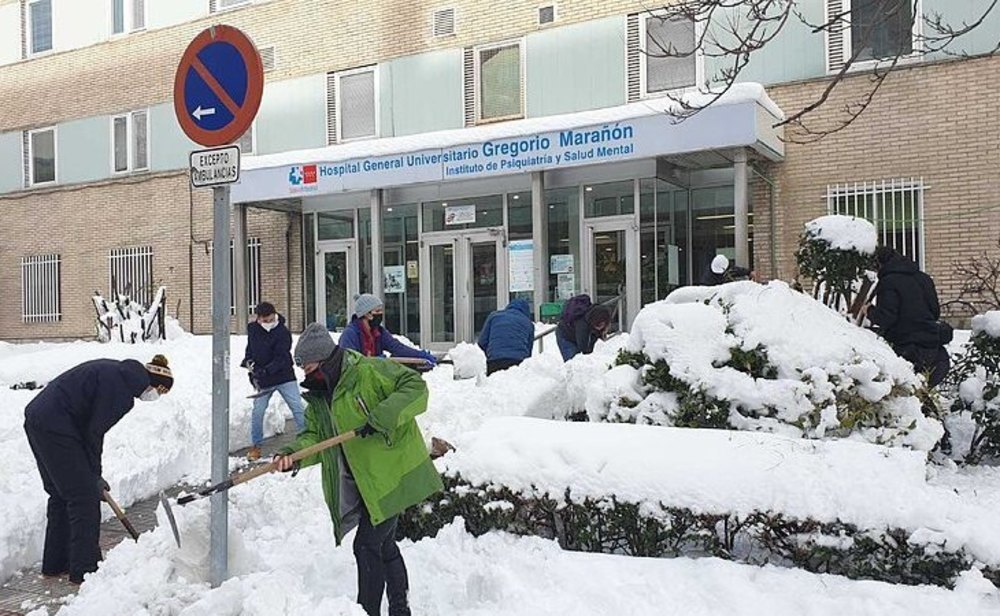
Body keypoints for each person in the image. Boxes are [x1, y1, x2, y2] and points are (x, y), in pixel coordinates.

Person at [273, 323, 442, 616]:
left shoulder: (369, 371)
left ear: (325, 360)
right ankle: (400, 610)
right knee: (384, 547)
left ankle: (368, 612)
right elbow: (315, 436)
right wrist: (293, 455)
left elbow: (416, 388)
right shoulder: (319, 395)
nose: (305, 374)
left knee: (366, 546)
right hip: (365, 483)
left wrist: (381, 416)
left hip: (393, 475)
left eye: (308, 366)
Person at [23, 355, 174, 584]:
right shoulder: (121, 390)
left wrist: (92, 474)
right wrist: (93, 476)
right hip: (57, 425)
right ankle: (85, 571)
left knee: (61, 494)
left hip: (40, 418)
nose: (156, 397)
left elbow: (88, 428)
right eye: (160, 392)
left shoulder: (117, 372)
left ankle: (55, 565)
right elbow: (94, 433)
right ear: (154, 383)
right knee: (84, 498)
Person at [865, 246, 951, 388]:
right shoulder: (924, 278)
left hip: (907, 351)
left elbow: (886, 318)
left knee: (908, 397)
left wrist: (869, 311)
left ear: (879, 264)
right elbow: (935, 312)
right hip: (935, 352)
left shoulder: (889, 282)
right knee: (919, 397)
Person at [241, 301, 306, 461]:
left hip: (284, 377)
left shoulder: (283, 332)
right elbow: (250, 350)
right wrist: (250, 365)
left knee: (297, 408)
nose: (267, 323)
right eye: (263, 320)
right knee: (258, 411)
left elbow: (282, 357)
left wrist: (266, 371)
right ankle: (256, 446)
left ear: (274, 315)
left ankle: (305, 441)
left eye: (269, 319)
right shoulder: (254, 330)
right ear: (258, 318)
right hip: (264, 380)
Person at [338, 294, 437, 368]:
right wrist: (375, 361)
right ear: (366, 314)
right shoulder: (350, 334)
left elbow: (397, 348)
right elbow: (349, 362)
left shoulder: (378, 332)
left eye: (381, 311)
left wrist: (422, 355)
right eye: (377, 311)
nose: (381, 314)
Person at [477, 298, 534, 375]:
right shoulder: (528, 323)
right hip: (518, 361)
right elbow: (529, 349)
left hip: (495, 360)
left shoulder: (494, 316)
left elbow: (482, 341)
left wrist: (491, 353)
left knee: (494, 385)